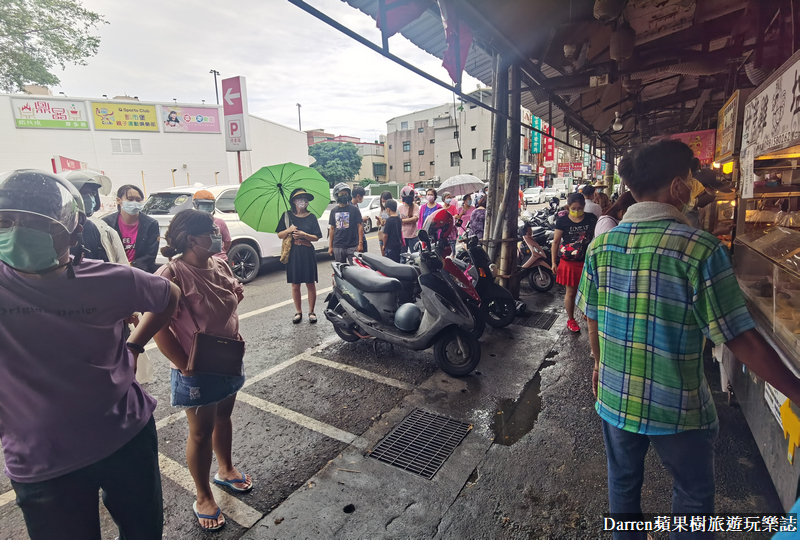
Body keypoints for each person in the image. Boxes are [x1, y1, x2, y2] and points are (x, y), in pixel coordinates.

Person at [576, 139, 800, 538]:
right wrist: (797, 390)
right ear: (679, 186)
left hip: (614, 398)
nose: (696, 188)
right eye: (693, 180)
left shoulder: (601, 247)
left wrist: (597, 364)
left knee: (623, 488)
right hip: (676, 407)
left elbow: (591, 317)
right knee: (693, 496)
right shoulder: (700, 249)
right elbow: (739, 338)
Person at [0, 169, 180, 540]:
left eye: (35, 223)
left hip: (126, 436)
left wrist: (134, 345)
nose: (18, 232)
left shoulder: (112, 279)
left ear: (73, 231)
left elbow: (168, 296)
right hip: (42, 460)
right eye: (5, 221)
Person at [154, 209, 252, 532]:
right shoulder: (171, 275)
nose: (218, 235)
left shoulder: (219, 263)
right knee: (199, 431)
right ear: (191, 239)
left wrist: (235, 296)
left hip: (227, 356)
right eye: (210, 231)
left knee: (224, 416)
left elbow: (227, 299)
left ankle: (225, 470)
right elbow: (158, 329)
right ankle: (203, 496)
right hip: (196, 367)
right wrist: (186, 367)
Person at [552, 192, 596, 333]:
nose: (577, 211)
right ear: (568, 207)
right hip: (569, 262)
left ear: (584, 206)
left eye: (579, 208)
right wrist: (554, 262)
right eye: (573, 208)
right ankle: (571, 319)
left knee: (589, 291)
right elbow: (556, 242)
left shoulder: (591, 219)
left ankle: (586, 311)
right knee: (570, 292)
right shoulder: (562, 221)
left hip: (587, 260)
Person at [276, 188, 322, 324]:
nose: (303, 201)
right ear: (294, 201)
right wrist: (288, 230)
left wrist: (304, 235)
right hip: (294, 253)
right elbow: (279, 235)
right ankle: (298, 312)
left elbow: (316, 237)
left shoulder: (312, 217)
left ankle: (311, 312)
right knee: (295, 284)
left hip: (307, 252)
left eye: (305, 198)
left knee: (310, 283)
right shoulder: (286, 216)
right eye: (300, 198)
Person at [64, 174, 127, 263]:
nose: (90, 197)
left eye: (91, 193)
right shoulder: (60, 229)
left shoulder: (103, 228)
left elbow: (122, 264)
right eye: (84, 193)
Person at [102, 184, 160, 273]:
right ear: (118, 200)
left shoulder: (151, 224)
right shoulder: (107, 223)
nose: (134, 202)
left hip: (141, 273)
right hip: (114, 273)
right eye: (130, 199)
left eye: (138, 200)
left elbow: (150, 255)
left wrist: (131, 265)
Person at [328, 183, 363, 263]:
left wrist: (360, 243)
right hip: (338, 245)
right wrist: (330, 246)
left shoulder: (354, 210)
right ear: (337, 195)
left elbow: (360, 226)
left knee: (355, 270)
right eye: (341, 194)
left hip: (352, 245)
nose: (344, 196)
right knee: (340, 270)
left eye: (345, 194)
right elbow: (332, 229)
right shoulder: (334, 211)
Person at [193, 190, 232, 261]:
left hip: (219, 260)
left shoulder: (220, 222)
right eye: (203, 205)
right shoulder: (192, 223)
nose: (206, 208)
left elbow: (227, 242)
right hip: (204, 262)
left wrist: (219, 253)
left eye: (208, 205)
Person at [398, 185, 420, 252]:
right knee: (402, 257)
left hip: (413, 236)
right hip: (403, 236)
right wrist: (410, 220)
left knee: (415, 256)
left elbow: (415, 219)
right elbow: (398, 221)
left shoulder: (415, 207)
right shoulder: (400, 208)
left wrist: (403, 220)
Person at [351, 186, 370, 253]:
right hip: (355, 237)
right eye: (362, 196)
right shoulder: (350, 207)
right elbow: (351, 221)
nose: (362, 198)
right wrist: (362, 219)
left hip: (361, 235)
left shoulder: (356, 205)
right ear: (358, 196)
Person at [375, 191, 392, 256]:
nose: (384, 203)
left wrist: (385, 222)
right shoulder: (382, 210)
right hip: (382, 235)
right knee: (384, 256)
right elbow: (378, 224)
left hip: (390, 236)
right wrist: (379, 220)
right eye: (382, 201)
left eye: (385, 201)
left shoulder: (393, 210)